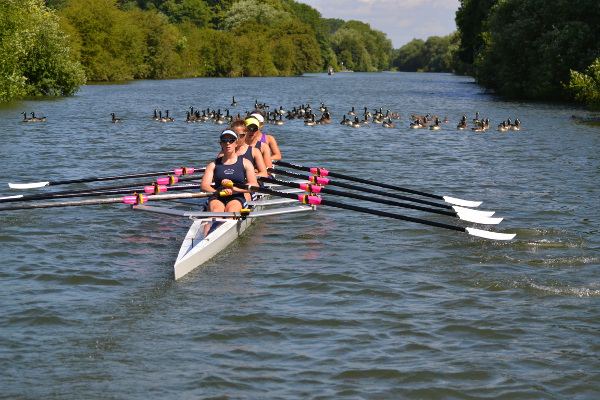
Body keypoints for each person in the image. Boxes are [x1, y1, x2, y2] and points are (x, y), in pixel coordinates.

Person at [201, 129, 258, 213]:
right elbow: (204, 186)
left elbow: (254, 184)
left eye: (231, 141)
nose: (228, 143)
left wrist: (235, 188)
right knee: (216, 211)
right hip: (217, 196)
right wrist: (218, 192)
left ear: (236, 143)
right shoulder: (213, 164)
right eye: (224, 141)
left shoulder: (246, 163)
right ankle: (211, 223)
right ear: (221, 144)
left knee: (231, 211)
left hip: (236, 196)